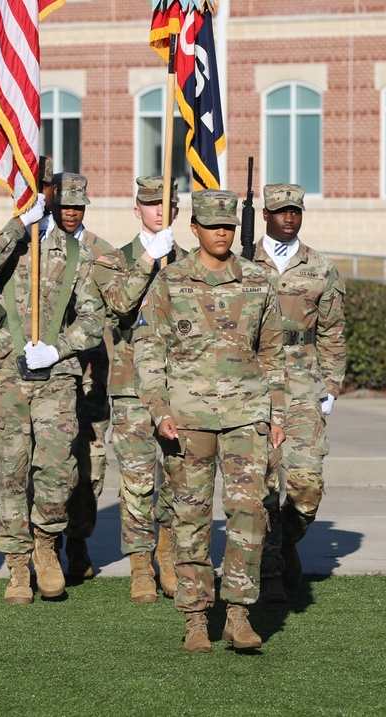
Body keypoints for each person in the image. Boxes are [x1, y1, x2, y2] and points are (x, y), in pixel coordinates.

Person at [134, 189, 287, 653]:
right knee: (190, 519)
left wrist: (276, 412)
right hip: (187, 420)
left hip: (247, 417)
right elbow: (147, 350)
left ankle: (238, 615)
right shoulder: (170, 281)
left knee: (248, 515)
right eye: (212, 224)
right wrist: (158, 410)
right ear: (195, 228)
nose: (222, 231)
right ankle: (196, 618)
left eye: (228, 225)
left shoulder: (260, 281)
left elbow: (273, 351)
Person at [0, 169, 106, 604]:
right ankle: (17, 566)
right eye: (31, 185)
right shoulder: (2, 244)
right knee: (11, 471)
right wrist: (17, 226)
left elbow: (92, 320)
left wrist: (59, 348)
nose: (40, 193)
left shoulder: (74, 253)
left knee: (55, 467)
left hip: (56, 378)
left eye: (45, 187)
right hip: (7, 376)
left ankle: (46, 546)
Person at [91, 175, 183, 603]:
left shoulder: (192, 261)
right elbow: (118, 305)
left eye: (166, 204)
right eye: (151, 204)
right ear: (137, 210)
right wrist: (149, 258)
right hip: (131, 388)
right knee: (137, 481)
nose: (159, 211)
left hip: (181, 389)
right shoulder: (115, 258)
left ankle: (169, 554)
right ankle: (141, 565)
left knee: (179, 479)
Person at [255, 183, 347, 603]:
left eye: (295, 211)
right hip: (253, 384)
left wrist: (331, 385)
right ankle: (269, 570)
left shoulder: (320, 268)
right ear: (265, 216)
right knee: (259, 484)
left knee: (307, 484)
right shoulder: (240, 263)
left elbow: (333, 331)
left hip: (303, 383)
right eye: (280, 211)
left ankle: (288, 539)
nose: (289, 218)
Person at [50, 171, 115, 579]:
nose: (71, 213)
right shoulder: (35, 250)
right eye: (63, 206)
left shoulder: (102, 251)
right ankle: (47, 539)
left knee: (91, 457)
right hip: (48, 369)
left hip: (90, 368)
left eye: (77, 206)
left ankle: (78, 538)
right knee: (50, 458)